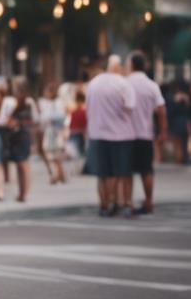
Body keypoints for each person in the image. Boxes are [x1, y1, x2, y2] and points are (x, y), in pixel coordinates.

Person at [86, 55, 137, 218]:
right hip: (120, 135)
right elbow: (130, 108)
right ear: (119, 66)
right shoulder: (123, 84)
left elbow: (88, 107)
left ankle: (104, 205)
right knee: (120, 172)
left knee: (103, 174)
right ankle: (120, 202)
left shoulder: (93, 84)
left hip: (97, 134)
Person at [125, 51, 167, 215]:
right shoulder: (152, 85)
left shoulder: (124, 84)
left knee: (126, 171)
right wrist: (163, 132)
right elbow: (161, 110)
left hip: (125, 135)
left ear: (131, 65)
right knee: (146, 170)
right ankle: (149, 201)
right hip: (145, 134)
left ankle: (128, 203)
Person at [0, 77, 39, 202]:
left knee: (23, 164)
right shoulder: (10, 101)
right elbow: (3, 119)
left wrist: (19, 122)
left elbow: (35, 119)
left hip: (22, 135)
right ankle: (21, 192)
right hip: (14, 135)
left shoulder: (28, 102)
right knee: (19, 164)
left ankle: (24, 192)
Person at [38, 82, 68, 184]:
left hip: (56, 131)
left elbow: (62, 116)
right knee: (52, 154)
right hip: (49, 131)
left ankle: (57, 175)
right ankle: (60, 174)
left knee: (55, 154)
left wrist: (50, 119)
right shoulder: (44, 102)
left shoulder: (58, 102)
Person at [166, 81, 191, 164]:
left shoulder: (172, 97)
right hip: (183, 124)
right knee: (182, 144)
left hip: (177, 124)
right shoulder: (184, 97)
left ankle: (180, 161)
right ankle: (183, 160)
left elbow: (170, 112)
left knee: (178, 144)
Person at [67, 89, 88, 173]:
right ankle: (77, 169)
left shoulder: (83, 112)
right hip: (74, 132)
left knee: (78, 152)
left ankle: (79, 169)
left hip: (79, 133)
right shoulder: (75, 111)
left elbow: (84, 124)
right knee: (76, 152)